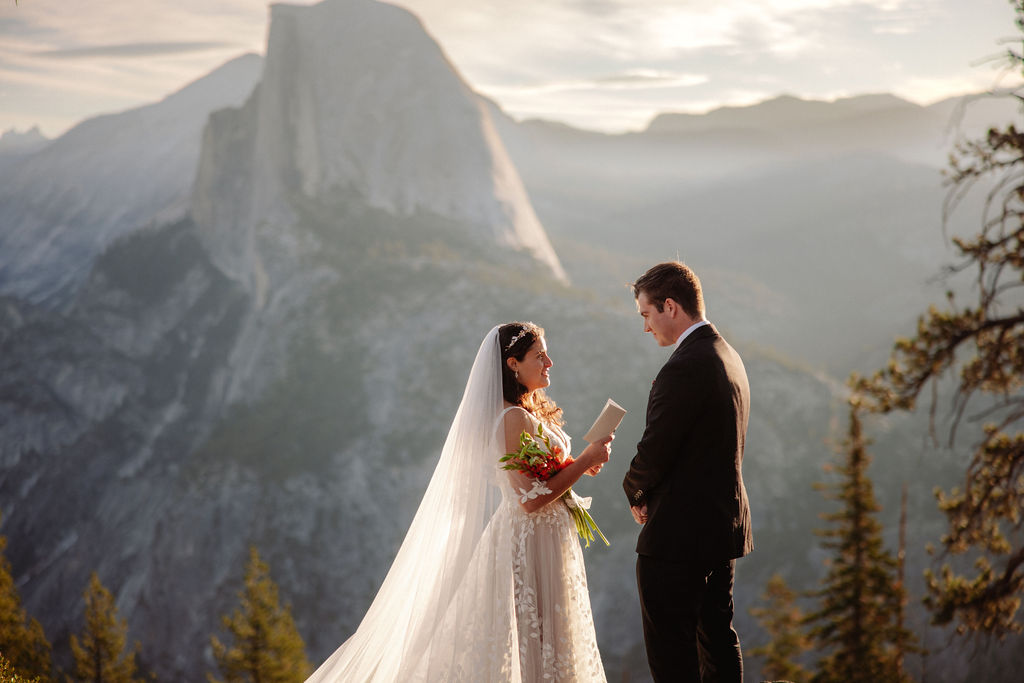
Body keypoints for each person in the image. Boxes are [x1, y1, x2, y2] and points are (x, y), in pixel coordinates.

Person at [307, 322, 612, 683]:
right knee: (536, 644)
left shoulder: (523, 412)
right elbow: (529, 501)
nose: (550, 362)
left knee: (552, 639)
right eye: (539, 355)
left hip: (548, 539)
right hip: (530, 543)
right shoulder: (511, 418)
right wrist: (584, 461)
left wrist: (580, 464)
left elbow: (539, 478)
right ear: (513, 363)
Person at [621, 262, 752, 683]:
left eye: (646, 314)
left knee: (672, 654)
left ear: (671, 307)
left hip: (677, 537)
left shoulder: (682, 368)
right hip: (720, 528)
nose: (645, 327)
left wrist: (633, 488)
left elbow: (655, 448)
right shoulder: (728, 356)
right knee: (717, 639)